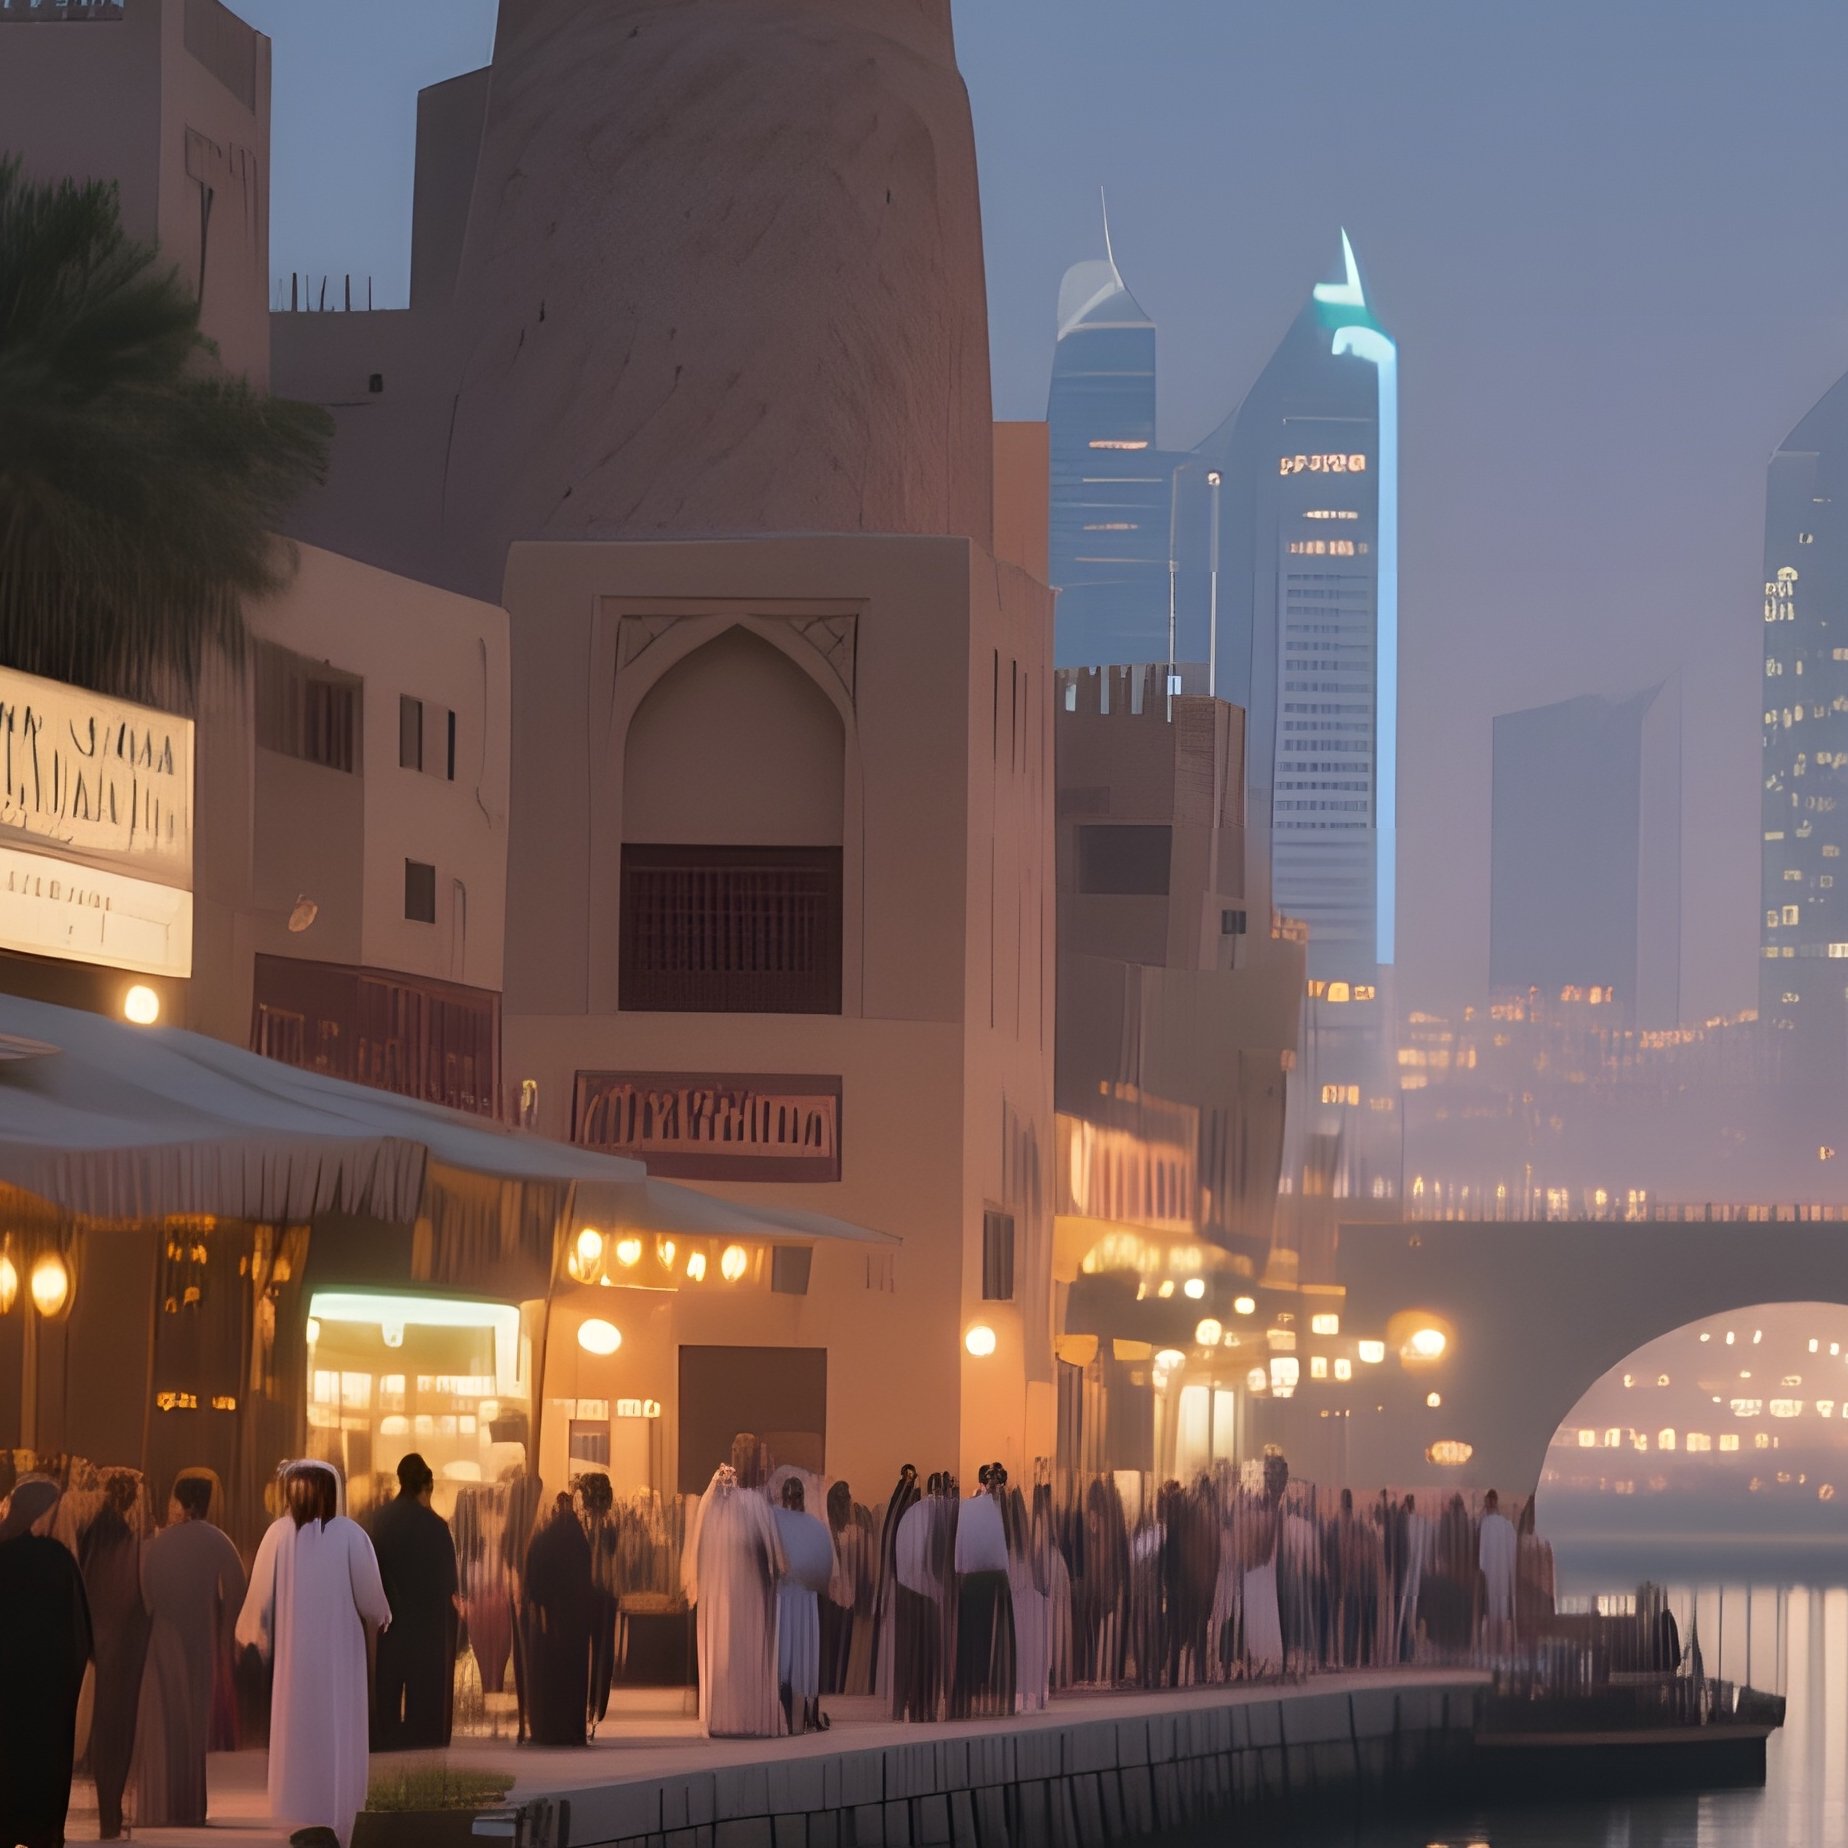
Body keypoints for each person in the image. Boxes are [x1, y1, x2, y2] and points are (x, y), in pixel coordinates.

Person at [237, 1459, 392, 1846]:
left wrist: (254, 1633)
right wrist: (380, 1614)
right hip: (340, 1657)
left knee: (296, 1732)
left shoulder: (277, 1535)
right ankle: (337, 1815)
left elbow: (258, 1599)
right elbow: (372, 1599)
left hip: (293, 1662)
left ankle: (295, 1814)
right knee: (338, 1729)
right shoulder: (351, 1536)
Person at [134, 1469, 247, 1830]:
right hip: (202, 1641)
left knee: (165, 1722)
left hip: (163, 1639)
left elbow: (144, 1592)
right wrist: (225, 1629)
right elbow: (238, 1587)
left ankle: (162, 1805)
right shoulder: (219, 1541)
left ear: (184, 1504)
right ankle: (192, 1805)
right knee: (194, 1727)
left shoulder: (157, 1544)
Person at [0, 1475, 93, 1848]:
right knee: (44, 1764)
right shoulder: (58, 1559)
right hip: (49, 1690)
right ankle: (40, 1833)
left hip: (6, 1686)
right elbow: (80, 1631)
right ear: (42, 1513)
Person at [683, 1433, 786, 1738]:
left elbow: (768, 1553)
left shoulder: (748, 1503)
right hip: (732, 1590)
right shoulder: (741, 1503)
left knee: (736, 1644)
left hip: (745, 1591)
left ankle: (735, 1711)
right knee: (730, 1646)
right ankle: (729, 1712)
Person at [75, 1467, 153, 1840]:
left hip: (90, 1645)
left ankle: (106, 1810)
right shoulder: (133, 1544)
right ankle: (111, 1811)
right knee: (117, 1728)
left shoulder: (89, 1538)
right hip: (124, 1648)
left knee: (96, 1728)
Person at [369, 1453, 459, 1751]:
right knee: (425, 1705)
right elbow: (449, 1584)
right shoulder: (436, 1527)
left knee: (387, 1695)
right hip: (427, 1629)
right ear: (427, 1485)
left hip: (389, 1625)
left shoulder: (378, 1521)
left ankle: (386, 1739)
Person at [522, 1493, 594, 1746]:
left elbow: (531, 1584)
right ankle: (571, 1730)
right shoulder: (579, 1541)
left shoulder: (542, 1540)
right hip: (573, 1624)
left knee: (547, 1677)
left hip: (546, 1622)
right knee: (572, 1680)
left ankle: (545, 1729)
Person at [773, 1477, 833, 1733]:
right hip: (783, 1596)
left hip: (803, 1598)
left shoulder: (813, 1527)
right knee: (785, 1653)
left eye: (797, 1495)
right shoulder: (774, 1521)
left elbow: (822, 1566)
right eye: (790, 1495)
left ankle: (806, 1712)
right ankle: (786, 1711)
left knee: (803, 1654)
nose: (793, 1500)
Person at [1478, 1488, 1517, 1657]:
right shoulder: (1507, 1525)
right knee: (1501, 1609)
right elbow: (1513, 1553)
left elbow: (1481, 1556)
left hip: (1490, 1575)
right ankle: (1501, 1649)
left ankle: (1492, 1649)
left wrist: (1481, 1572)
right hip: (1503, 1574)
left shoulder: (1485, 1525)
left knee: (1491, 1610)